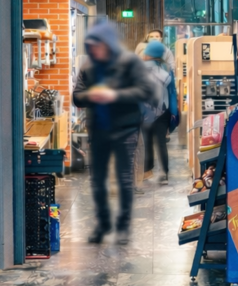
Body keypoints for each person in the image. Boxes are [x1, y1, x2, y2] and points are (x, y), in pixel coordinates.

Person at [73, 21, 158, 245]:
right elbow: (77, 96)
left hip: (126, 128)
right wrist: (92, 95)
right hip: (98, 130)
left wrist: (114, 95)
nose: (94, 50)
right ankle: (102, 225)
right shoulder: (89, 66)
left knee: (124, 178)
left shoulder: (130, 62)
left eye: (97, 45)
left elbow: (146, 90)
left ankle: (122, 227)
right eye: (90, 46)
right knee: (97, 180)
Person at [141, 40, 179, 185]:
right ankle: (164, 173)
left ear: (148, 54)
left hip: (145, 111)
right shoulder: (166, 68)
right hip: (163, 110)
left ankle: (147, 171)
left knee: (147, 141)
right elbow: (172, 93)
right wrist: (173, 113)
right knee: (161, 142)